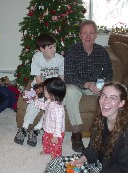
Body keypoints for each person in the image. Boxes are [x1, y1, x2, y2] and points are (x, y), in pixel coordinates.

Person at [44, 82, 128, 173]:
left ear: (122, 103)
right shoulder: (102, 118)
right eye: (103, 96)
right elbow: (93, 147)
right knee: (53, 165)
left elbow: (123, 170)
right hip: (98, 163)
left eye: (113, 98)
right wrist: (82, 159)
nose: (106, 101)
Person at [64, 19, 113, 152]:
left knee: (112, 93)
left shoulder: (102, 51)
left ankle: (106, 132)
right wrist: (86, 84)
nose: (88, 36)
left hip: (95, 87)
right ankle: (76, 134)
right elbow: (68, 75)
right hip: (76, 86)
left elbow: (109, 72)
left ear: (96, 35)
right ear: (80, 35)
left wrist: (101, 85)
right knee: (68, 91)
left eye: (91, 33)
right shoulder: (72, 51)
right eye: (84, 33)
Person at [14, 33, 64, 146]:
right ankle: (24, 127)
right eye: (50, 47)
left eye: (55, 46)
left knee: (53, 107)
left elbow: (61, 80)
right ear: (42, 49)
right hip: (40, 86)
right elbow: (38, 80)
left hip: (54, 89)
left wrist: (53, 95)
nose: (54, 50)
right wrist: (44, 94)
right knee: (34, 102)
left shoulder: (60, 59)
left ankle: (36, 130)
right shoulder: (37, 58)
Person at [32, 77, 66, 157]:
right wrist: (36, 101)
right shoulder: (49, 101)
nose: (44, 92)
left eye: (45, 91)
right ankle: (47, 150)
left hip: (56, 132)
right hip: (48, 128)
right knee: (46, 140)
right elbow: (44, 107)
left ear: (52, 94)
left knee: (55, 146)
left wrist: (56, 135)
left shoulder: (58, 108)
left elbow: (59, 124)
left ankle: (56, 159)